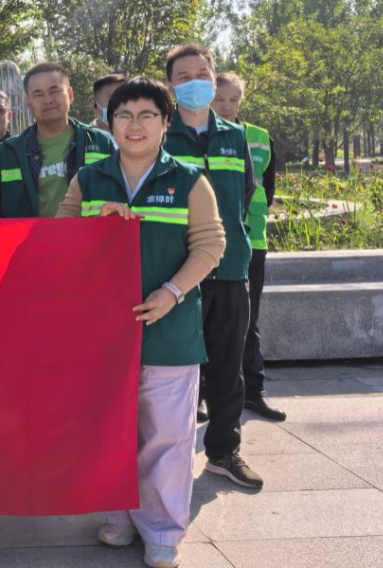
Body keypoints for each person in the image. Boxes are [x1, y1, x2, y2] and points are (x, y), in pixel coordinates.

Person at [58, 77, 226, 568]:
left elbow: (210, 245)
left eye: (147, 115)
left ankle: (162, 530)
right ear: (109, 123)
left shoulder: (190, 180)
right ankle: (119, 516)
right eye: (123, 115)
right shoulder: (89, 179)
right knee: (111, 431)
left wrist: (171, 293)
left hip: (169, 331)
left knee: (167, 438)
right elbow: (59, 240)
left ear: (165, 123)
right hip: (103, 333)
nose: (135, 125)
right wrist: (94, 226)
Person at [163, 43, 263, 490]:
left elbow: (245, 194)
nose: (195, 83)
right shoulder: (161, 136)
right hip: (178, 274)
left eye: (202, 74)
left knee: (228, 368)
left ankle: (223, 450)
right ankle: (168, 458)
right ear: (171, 86)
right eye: (183, 77)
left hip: (230, 269)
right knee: (173, 373)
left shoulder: (234, 136)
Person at [212, 72, 285, 422]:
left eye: (234, 99)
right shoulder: (198, 135)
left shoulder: (259, 137)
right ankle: (203, 393)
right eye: (219, 99)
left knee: (248, 319)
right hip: (207, 239)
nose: (227, 106)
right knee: (204, 320)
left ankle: (253, 392)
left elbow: (267, 190)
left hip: (251, 239)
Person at [0, 62, 115, 218]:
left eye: (55, 91)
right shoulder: (9, 152)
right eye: (38, 94)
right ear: (28, 102)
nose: (48, 100)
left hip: (87, 234)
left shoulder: (100, 142)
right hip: (29, 235)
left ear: (70, 95)